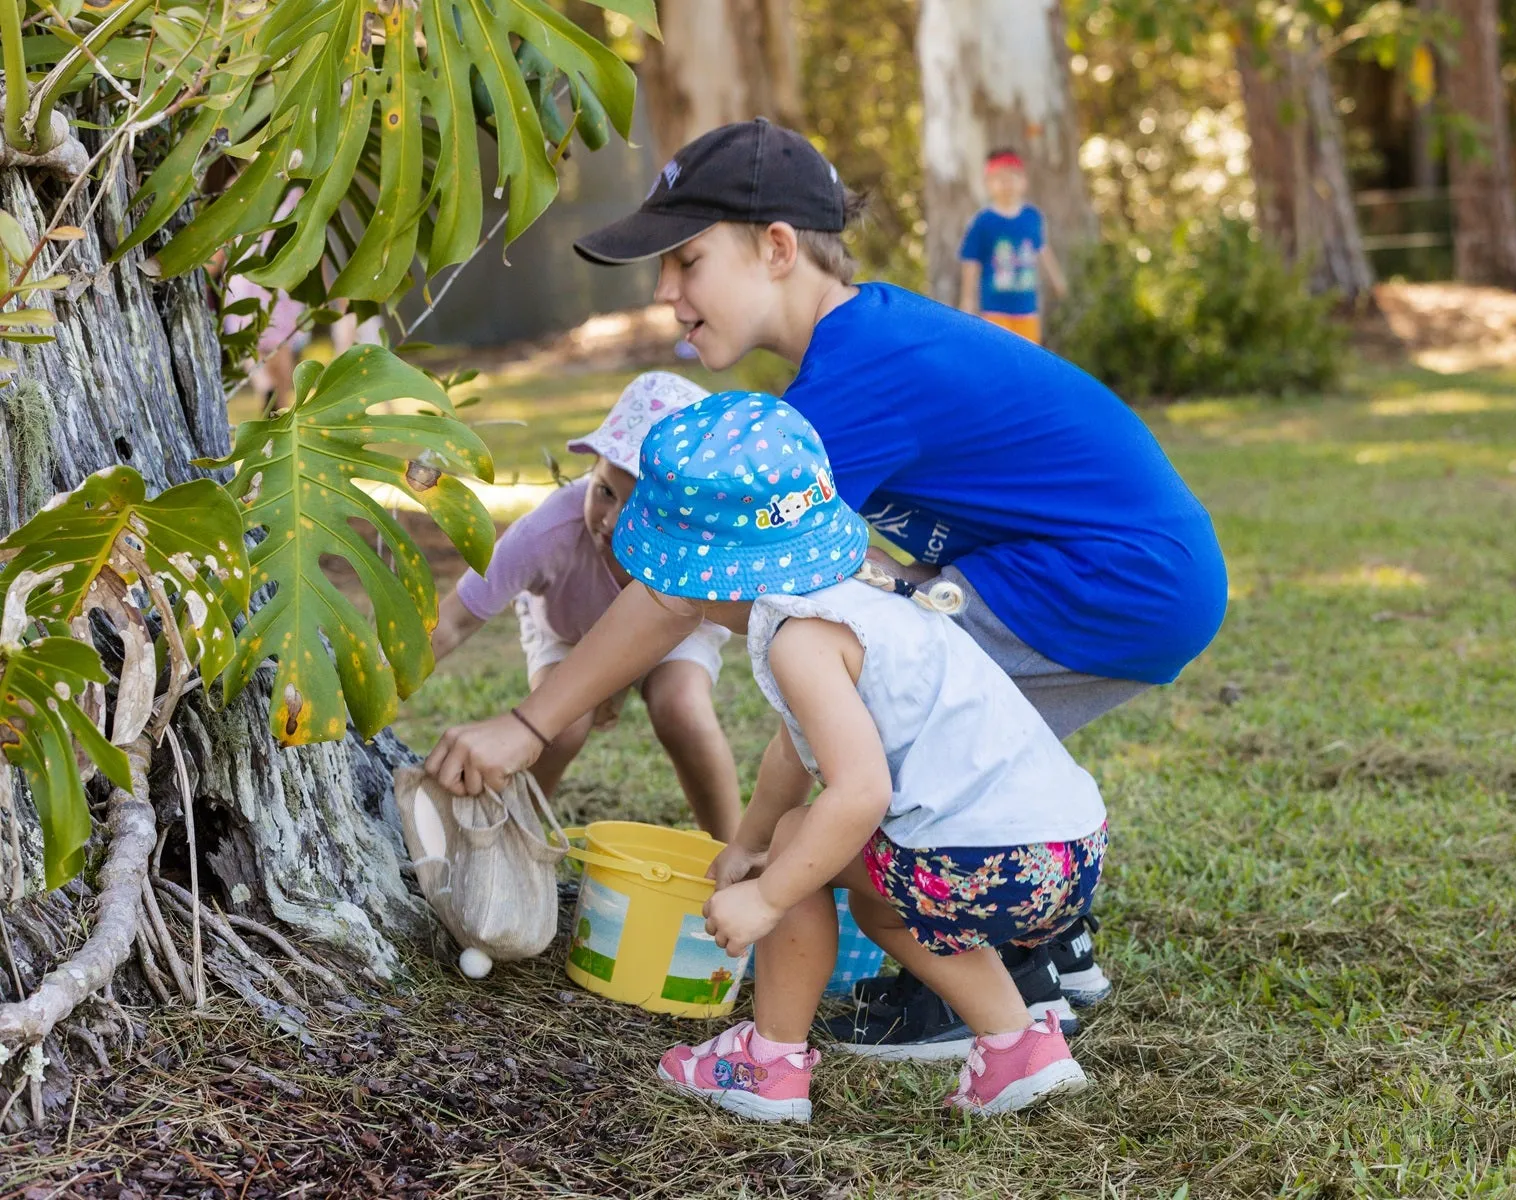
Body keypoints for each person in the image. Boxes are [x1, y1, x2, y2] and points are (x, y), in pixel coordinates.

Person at [423, 118, 1228, 1056]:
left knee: (888, 731)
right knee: (943, 741)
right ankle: (1050, 941)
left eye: (685, 260)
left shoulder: (850, 381)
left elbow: (681, 590)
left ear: (774, 249)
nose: (665, 291)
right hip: (1130, 575)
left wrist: (527, 726)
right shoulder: (859, 347)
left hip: (1105, 577)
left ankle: (1001, 979)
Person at [623, 392, 1106, 1122]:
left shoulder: (801, 638)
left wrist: (769, 888)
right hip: (1067, 849)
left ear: (708, 574)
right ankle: (1018, 1048)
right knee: (880, 901)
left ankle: (768, 1063)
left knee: (800, 848)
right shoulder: (863, 596)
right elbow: (797, 749)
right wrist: (745, 844)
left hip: (983, 858)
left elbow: (858, 793)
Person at [429, 371, 742, 841]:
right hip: (566, 629)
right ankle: (515, 837)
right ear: (592, 468)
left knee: (682, 707)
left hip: (674, 635)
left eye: (642, 509)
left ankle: (732, 850)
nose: (613, 522)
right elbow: (453, 620)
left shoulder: (697, 552)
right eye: (605, 491)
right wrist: (374, 691)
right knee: (564, 722)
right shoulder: (547, 532)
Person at [957, 148, 1067, 345]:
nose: (1006, 184)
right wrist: (967, 300)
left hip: (1027, 307)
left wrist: (1057, 279)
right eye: (999, 178)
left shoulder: (1032, 217)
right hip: (995, 308)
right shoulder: (983, 221)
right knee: (999, 355)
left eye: (1012, 177)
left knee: (1028, 356)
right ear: (988, 184)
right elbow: (971, 260)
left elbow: (1042, 248)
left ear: (1023, 182)